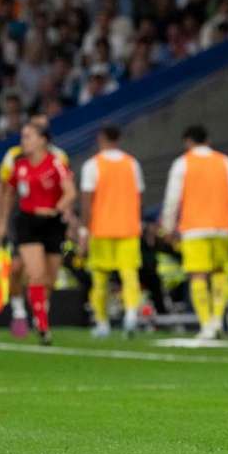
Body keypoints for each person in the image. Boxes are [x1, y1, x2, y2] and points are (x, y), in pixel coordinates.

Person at [161, 125, 228, 339]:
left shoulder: (183, 163)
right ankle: (218, 319)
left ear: (188, 141)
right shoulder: (224, 162)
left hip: (194, 228)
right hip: (221, 227)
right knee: (219, 273)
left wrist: (168, 227)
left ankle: (206, 323)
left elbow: (173, 199)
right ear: (208, 140)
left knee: (198, 275)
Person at [0, 122, 76, 344]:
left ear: (42, 140)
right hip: (27, 222)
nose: (24, 141)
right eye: (23, 137)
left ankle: (39, 312)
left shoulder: (56, 163)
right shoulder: (18, 164)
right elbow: (8, 192)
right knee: (35, 273)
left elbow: (70, 192)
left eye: (28, 136)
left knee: (49, 279)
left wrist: (56, 209)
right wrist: (1, 222)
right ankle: (41, 325)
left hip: (53, 223)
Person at [78, 125, 145, 337]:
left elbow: (87, 203)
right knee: (129, 274)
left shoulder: (92, 165)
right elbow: (139, 197)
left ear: (101, 138)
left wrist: (83, 232)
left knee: (99, 279)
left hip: (101, 228)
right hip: (128, 227)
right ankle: (132, 315)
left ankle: (102, 323)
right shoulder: (132, 164)